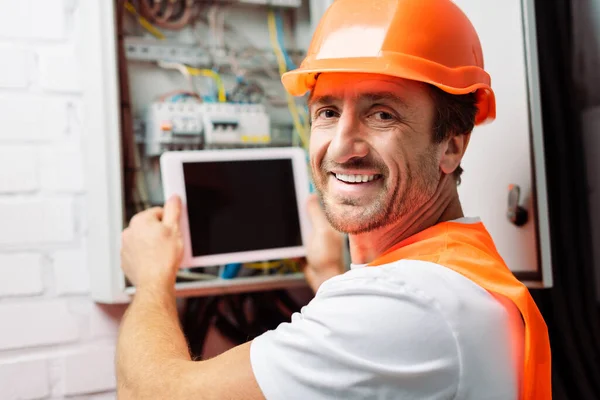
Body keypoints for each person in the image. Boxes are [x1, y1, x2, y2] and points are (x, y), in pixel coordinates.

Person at [116, 0, 551, 398]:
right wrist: (330, 273)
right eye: (327, 112)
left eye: (383, 114)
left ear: (451, 146)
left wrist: (152, 277)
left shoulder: (411, 302)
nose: (343, 147)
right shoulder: (454, 274)